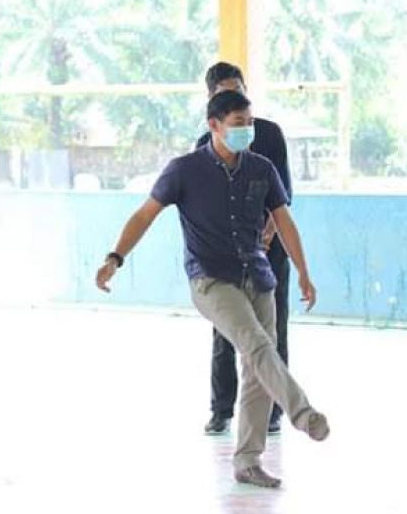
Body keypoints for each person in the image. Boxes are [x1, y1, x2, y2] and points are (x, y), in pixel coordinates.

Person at [96, 89, 329, 488]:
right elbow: (144, 215)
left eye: (249, 123)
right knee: (258, 346)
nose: (247, 130)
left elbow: (285, 222)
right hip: (211, 280)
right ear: (214, 126)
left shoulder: (261, 169)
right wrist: (114, 258)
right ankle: (303, 414)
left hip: (258, 277)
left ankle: (248, 461)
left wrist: (303, 272)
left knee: (257, 371)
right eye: (238, 124)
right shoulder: (183, 170)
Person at [196, 62, 292, 436]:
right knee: (226, 332)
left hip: (269, 252)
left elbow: (282, 194)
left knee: (272, 330)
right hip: (226, 257)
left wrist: (268, 232)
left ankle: (272, 409)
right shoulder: (203, 148)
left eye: (239, 89)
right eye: (224, 93)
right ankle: (221, 409)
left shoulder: (269, 134)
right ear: (211, 103)